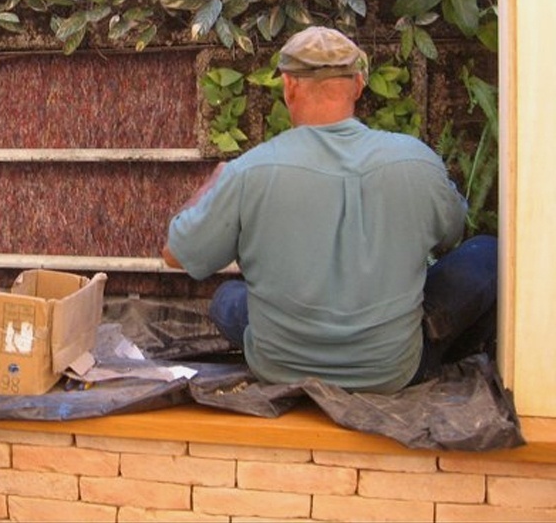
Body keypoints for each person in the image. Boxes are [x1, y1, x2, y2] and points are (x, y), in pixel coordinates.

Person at [162, 26, 498, 394]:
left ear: (289, 86)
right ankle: (453, 355)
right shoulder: (416, 160)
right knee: (488, 253)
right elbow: (452, 234)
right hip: (391, 370)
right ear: (357, 85)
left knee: (227, 299)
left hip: (279, 367)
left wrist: (214, 181)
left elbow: (177, 255)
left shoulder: (248, 171)